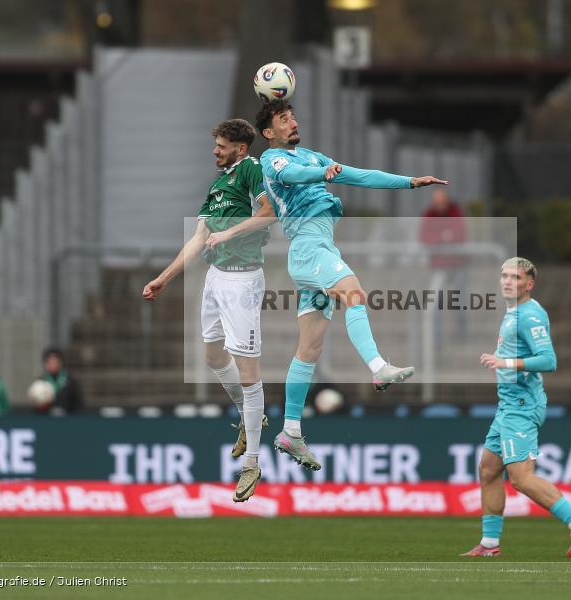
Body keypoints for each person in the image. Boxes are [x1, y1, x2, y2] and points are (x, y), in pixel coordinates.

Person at [255, 99, 447, 470]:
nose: (292, 121)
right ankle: (377, 366)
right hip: (309, 246)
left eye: (293, 115)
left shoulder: (310, 155)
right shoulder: (273, 160)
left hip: (321, 245)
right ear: (268, 132)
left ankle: (290, 431)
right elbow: (290, 177)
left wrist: (408, 182)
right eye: (283, 119)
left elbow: (360, 174)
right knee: (354, 292)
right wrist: (319, 175)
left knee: (309, 348)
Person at [143, 118, 276, 502]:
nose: (215, 151)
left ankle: (252, 461)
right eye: (215, 144)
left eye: (221, 145)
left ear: (240, 147)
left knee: (248, 369)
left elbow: (269, 214)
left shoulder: (252, 170)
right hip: (216, 277)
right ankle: (250, 415)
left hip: (243, 278)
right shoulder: (217, 185)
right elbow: (199, 238)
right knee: (212, 353)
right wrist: (163, 278)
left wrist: (230, 233)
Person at [461, 257, 571, 558]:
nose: (507, 281)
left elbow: (549, 360)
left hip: (522, 404)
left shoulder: (530, 316)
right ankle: (489, 544)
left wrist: (505, 362)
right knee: (488, 469)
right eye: (504, 275)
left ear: (529, 284)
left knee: (521, 478)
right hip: (509, 403)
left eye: (515, 277)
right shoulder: (514, 312)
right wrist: (502, 358)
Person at [419, 188, 468, 341]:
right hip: (438, 266)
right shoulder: (429, 214)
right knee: (434, 304)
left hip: (457, 264)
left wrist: (440, 239)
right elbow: (425, 237)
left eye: (442, 201)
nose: (439, 205)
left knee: (459, 301)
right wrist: (443, 238)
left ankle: (461, 334)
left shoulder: (456, 211)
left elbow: (459, 235)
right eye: (436, 201)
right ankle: (436, 339)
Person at [40, 348, 84, 414]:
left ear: (60, 363)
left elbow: (79, 404)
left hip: (68, 418)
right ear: (46, 364)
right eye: (49, 362)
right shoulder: (40, 382)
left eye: (55, 362)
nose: (52, 365)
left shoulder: (70, 381)